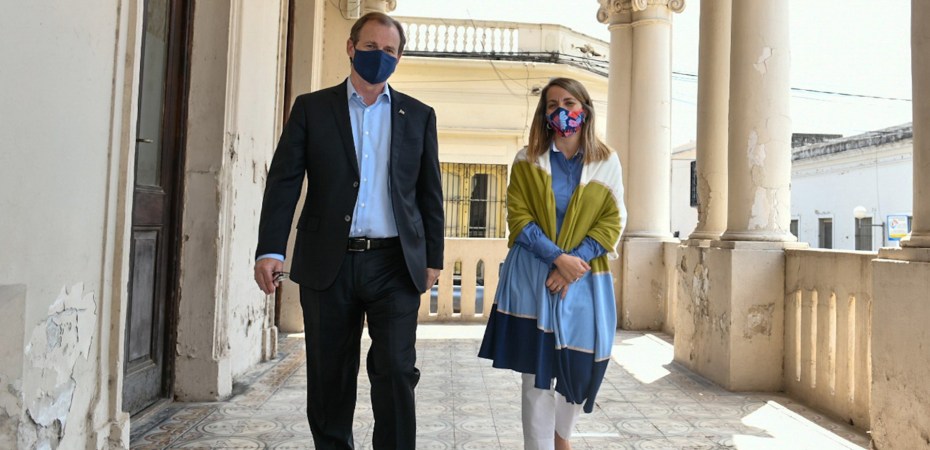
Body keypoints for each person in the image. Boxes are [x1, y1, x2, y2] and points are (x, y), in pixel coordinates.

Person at [253, 12, 443, 450]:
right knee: (330, 378)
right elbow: (284, 181)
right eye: (371, 47)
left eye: (389, 50)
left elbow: (429, 192)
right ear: (351, 47)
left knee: (396, 370)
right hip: (328, 264)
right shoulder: (312, 108)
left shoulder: (418, 115)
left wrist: (433, 257)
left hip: (394, 264)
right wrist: (270, 249)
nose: (380, 56)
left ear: (399, 57)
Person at [478, 78, 626, 450]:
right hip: (534, 274)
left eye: (569, 102)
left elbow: (613, 219)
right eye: (552, 105)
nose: (562, 111)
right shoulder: (526, 160)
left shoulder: (606, 161)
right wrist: (558, 259)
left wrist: (575, 263)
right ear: (544, 115)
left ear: (585, 109)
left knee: (583, 364)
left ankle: (562, 437)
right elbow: (519, 219)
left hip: (585, 278)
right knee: (537, 373)